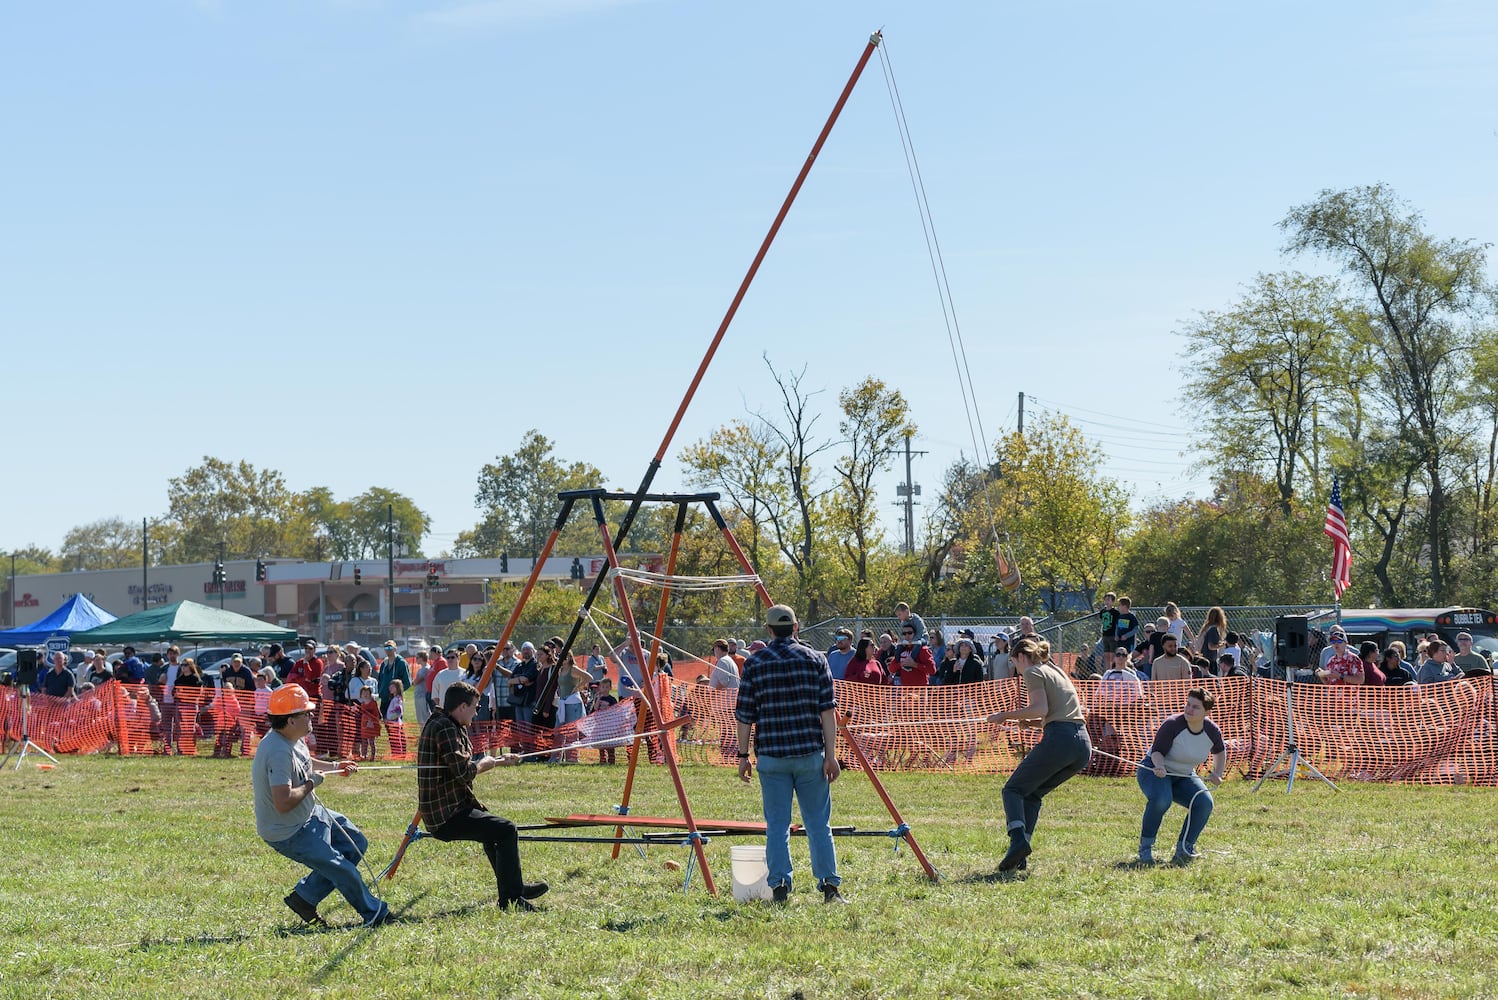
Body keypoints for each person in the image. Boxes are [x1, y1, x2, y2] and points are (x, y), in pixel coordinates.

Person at [251, 684, 386, 927]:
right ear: (291, 720)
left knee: (355, 843)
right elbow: (283, 802)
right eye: (306, 713)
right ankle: (375, 913)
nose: (311, 715)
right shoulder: (277, 751)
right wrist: (312, 784)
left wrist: (335, 767)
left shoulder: (293, 738)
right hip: (289, 831)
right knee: (342, 868)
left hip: (309, 815)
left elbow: (306, 762)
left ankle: (305, 897)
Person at [735, 604, 844, 904]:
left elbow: (744, 715)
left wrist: (743, 755)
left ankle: (780, 886)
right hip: (810, 754)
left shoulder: (755, 664)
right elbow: (827, 711)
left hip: (771, 757)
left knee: (777, 826)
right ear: (796, 627)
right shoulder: (816, 659)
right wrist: (831, 755)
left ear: (769, 630)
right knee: (818, 824)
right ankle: (829, 887)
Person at [417, 681, 548, 910]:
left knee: (493, 832)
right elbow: (463, 772)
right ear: (462, 707)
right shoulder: (445, 728)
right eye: (475, 707)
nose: (477, 712)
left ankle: (513, 887)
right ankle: (512, 898)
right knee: (506, 829)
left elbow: (459, 765)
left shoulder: (447, 723)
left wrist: (498, 761)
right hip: (445, 816)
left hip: (451, 807)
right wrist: (486, 764)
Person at [987, 636, 1090, 872]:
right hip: (1081, 744)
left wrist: (1006, 715)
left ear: (1021, 657)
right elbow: (1059, 710)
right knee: (1031, 795)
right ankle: (1020, 854)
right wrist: (1033, 723)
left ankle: (1017, 841)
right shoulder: (1056, 671)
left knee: (1012, 790)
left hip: (1060, 739)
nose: (1016, 669)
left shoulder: (1032, 672)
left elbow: (1040, 708)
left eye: (1014, 663)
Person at [1137, 688, 1226, 865]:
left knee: (1204, 803)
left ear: (1207, 712)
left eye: (1195, 707)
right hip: (1154, 770)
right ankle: (1145, 849)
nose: (1189, 709)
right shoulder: (1172, 724)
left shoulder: (1212, 730)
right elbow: (1157, 752)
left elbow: (1220, 752)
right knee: (1162, 800)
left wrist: (1218, 773)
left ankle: (1185, 849)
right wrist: (1160, 766)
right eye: (1188, 704)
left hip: (1184, 775)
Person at [376, 642, 411, 717]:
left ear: (395, 648)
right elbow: (380, 680)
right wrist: (380, 692)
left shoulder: (401, 663)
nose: (388, 650)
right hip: (384, 698)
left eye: (390, 648)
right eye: (386, 648)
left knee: (395, 725)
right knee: (386, 722)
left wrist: (397, 693)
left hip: (395, 700)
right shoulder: (384, 664)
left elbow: (407, 682)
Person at [356, 687, 382, 759]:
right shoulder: (362, 704)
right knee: (364, 741)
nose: (365, 695)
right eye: (363, 693)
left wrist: (373, 721)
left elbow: (376, 714)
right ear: (361, 695)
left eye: (367, 693)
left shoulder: (373, 703)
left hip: (371, 725)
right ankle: (364, 755)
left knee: (371, 741)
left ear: (370, 694)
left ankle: (373, 755)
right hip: (364, 725)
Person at [385, 679, 408, 756]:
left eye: (393, 687)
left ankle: (398, 754)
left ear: (398, 688)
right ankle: (397, 753)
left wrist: (390, 719)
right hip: (393, 722)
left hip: (394, 723)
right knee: (394, 738)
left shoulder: (397, 700)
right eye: (390, 687)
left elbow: (399, 712)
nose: (390, 688)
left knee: (396, 739)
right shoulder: (394, 699)